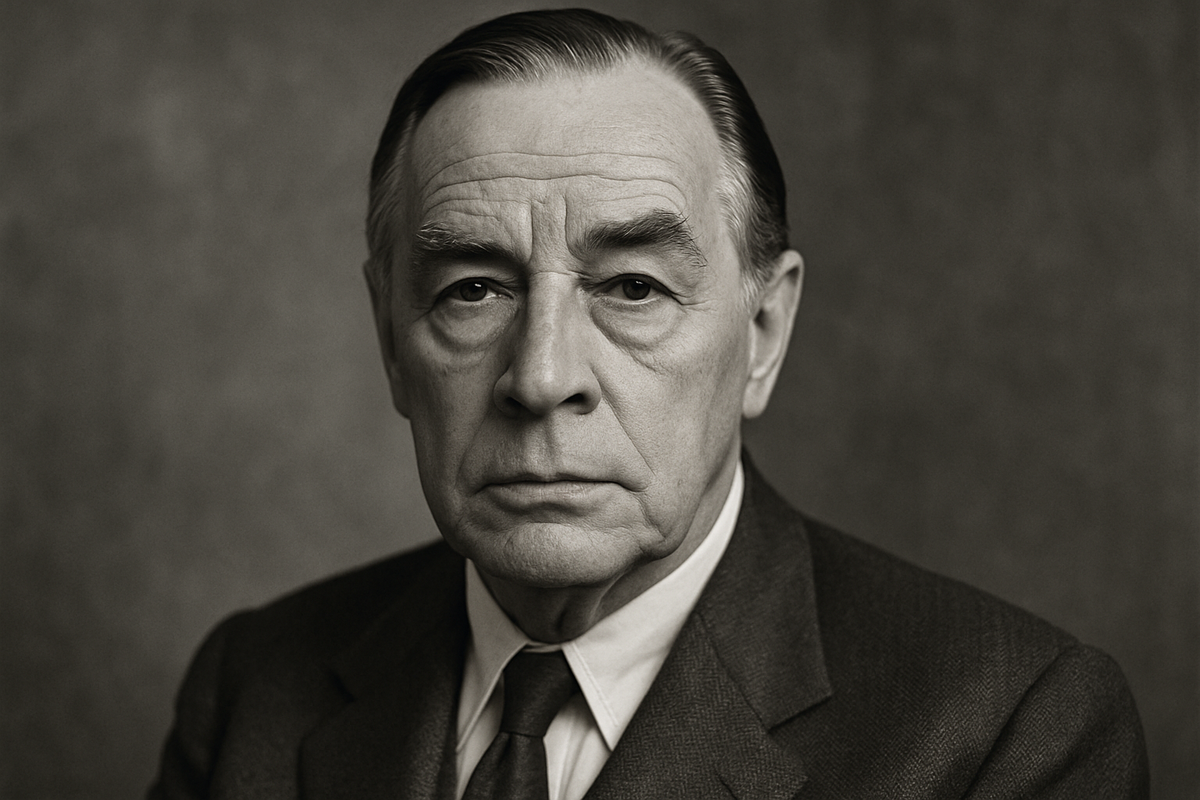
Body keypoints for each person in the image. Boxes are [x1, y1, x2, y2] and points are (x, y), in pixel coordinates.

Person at [149, 9, 1148, 799]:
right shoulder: (253, 692)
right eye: (473, 290)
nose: (542, 376)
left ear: (763, 333)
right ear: (389, 341)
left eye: (633, 287)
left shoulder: (1010, 731)